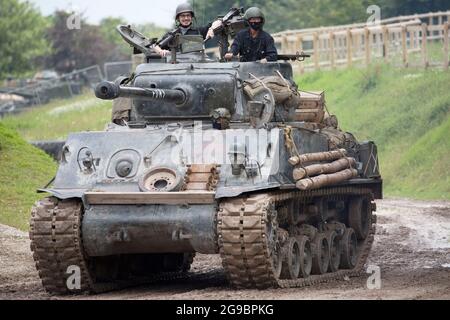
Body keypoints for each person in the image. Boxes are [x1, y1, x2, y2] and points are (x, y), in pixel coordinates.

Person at [153, 3, 220, 57]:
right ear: (178, 18)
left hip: (196, 65)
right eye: (183, 16)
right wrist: (161, 51)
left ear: (191, 17)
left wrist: (211, 29)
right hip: (176, 67)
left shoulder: (199, 31)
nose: (186, 18)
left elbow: (218, 22)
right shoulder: (171, 35)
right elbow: (155, 46)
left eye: (188, 15)